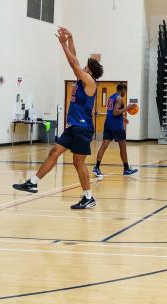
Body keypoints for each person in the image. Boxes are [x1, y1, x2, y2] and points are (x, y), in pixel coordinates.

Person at [13, 27, 102, 209]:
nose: (81, 67)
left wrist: (62, 44)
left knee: (78, 162)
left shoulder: (90, 82)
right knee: (55, 151)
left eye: (85, 67)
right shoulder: (82, 79)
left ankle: (88, 197)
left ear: (90, 71)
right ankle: (33, 182)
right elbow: (75, 60)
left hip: (83, 128)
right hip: (73, 126)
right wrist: (71, 38)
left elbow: (73, 64)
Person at [92, 91, 138, 179]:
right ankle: (126, 169)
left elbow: (111, 112)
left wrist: (123, 118)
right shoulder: (119, 98)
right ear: (123, 90)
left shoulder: (111, 97)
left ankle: (96, 167)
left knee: (103, 146)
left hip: (108, 123)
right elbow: (115, 112)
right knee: (123, 147)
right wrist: (127, 108)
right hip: (116, 126)